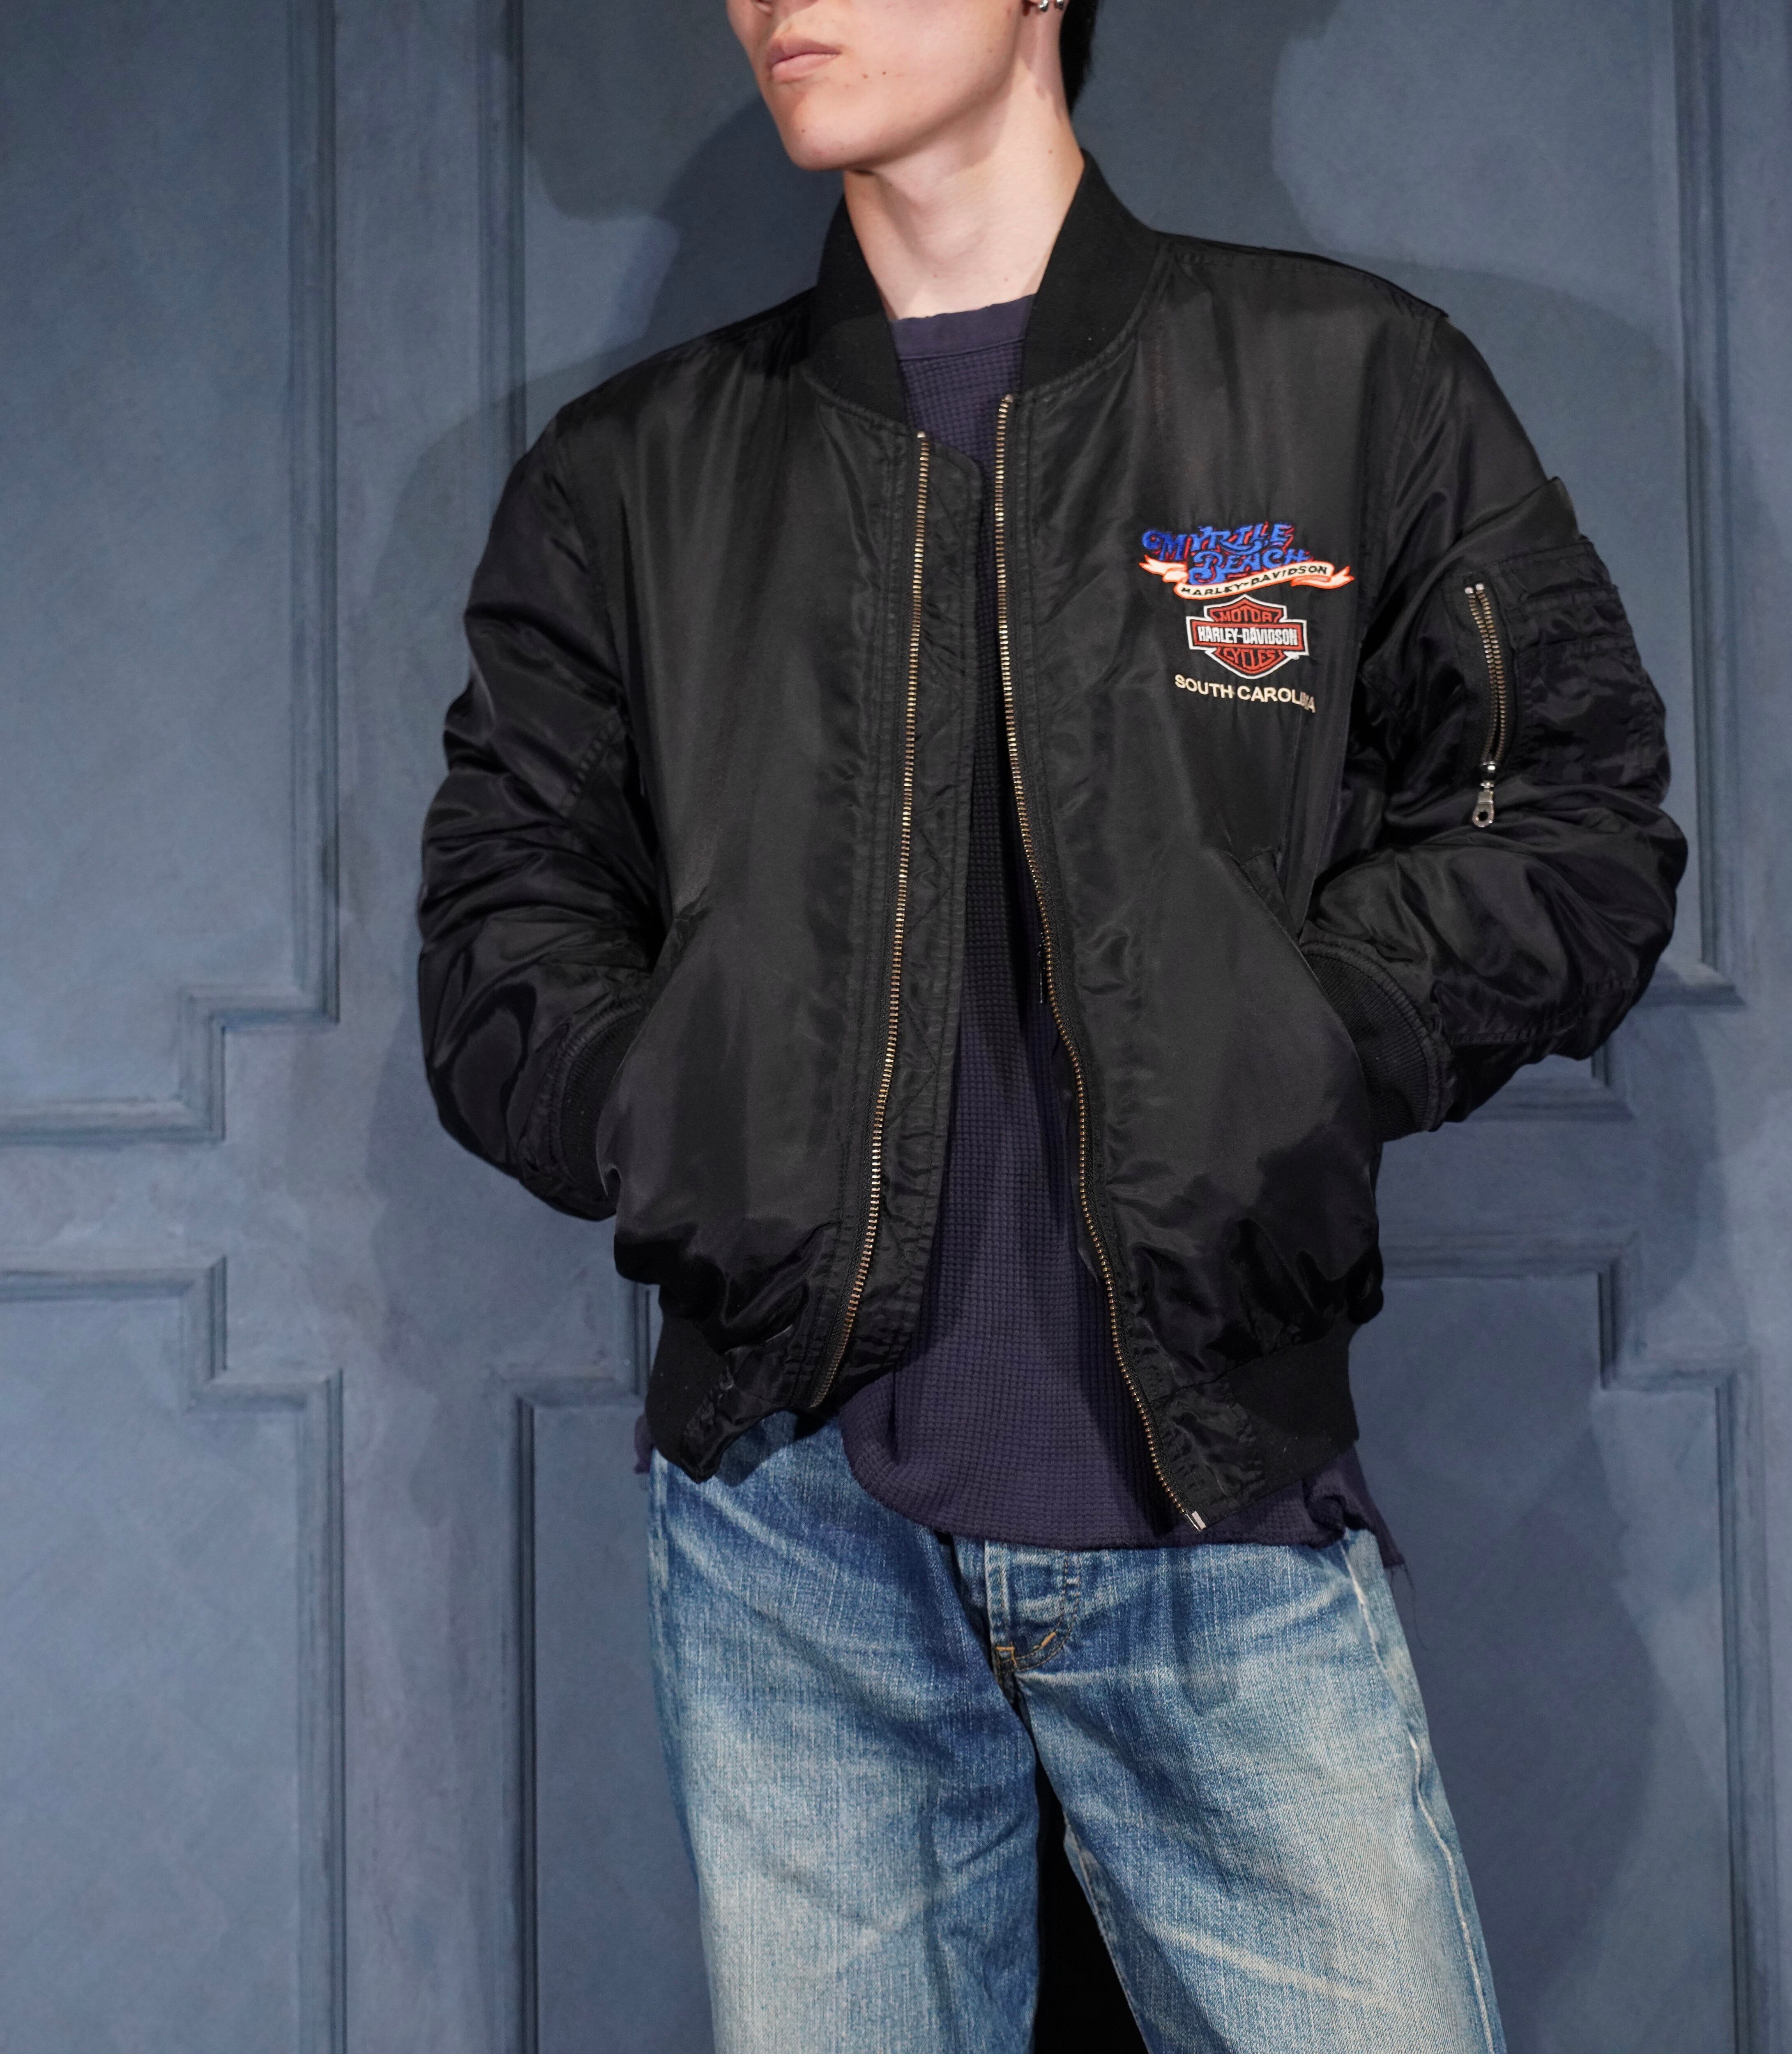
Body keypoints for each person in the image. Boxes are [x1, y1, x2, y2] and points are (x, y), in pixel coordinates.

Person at [416, 0, 1687, 2046]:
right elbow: (499, 926)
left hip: (1212, 1489)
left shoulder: (1345, 383)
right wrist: (685, 1113)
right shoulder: (630, 477)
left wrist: (1301, 1032)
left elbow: (1574, 817)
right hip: (792, 1536)